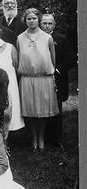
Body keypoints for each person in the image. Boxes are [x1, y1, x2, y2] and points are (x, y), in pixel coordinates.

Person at [17, 8, 58, 150]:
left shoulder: (47, 38)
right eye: (29, 18)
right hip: (27, 79)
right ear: (25, 20)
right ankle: (34, 137)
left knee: (43, 110)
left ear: (38, 20)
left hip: (43, 78)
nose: (31, 21)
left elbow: (53, 59)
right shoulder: (20, 38)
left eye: (34, 18)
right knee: (30, 111)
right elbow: (18, 59)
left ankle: (41, 137)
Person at [0, 23, 24, 138]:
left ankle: (9, 138)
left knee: (10, 109)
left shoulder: (10, 47)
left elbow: (17, 67)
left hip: (10, 85)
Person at [40, 13, 74, 147]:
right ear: (40, 24)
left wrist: (58, 70)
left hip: (57, 79)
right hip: (41, 79)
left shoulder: (61, 38)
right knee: (43, 107)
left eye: (50, 23)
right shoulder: (37, 38)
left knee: (56, 108)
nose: (47, 26)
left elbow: (71, 59)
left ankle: (58, 138)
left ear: (54, 25)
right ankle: (44, 137)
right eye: (44, 23)